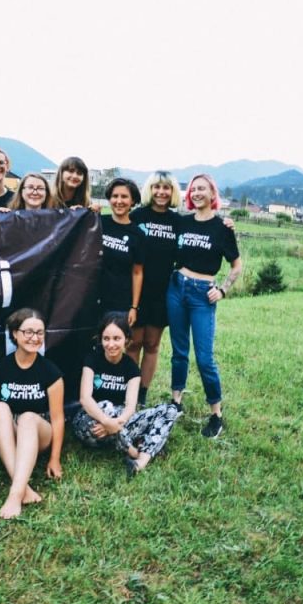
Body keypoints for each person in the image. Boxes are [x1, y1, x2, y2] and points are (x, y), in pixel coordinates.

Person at [167, 174, 242, 438]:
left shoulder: (223, 228)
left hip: (202, 295)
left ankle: (216, 415)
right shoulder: (182, 222)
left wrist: (223, 289)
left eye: (202, 188)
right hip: (177, 288)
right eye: (193, 189)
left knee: (205, 358)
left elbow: (236, 265)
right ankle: (175, 402)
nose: (197, 192)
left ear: (212, 194)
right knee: (179, 352)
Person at [0, 308, 65, 519]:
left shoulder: (51, 372)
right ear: (15, 334)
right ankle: (23, 490)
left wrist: (54, 458)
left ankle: (15, 495)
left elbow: (58, 418)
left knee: (27, 417)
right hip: (6, 431)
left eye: (40, 333)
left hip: (37, 430)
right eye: (28, 332)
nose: (34, 338)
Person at [70, 313, 180, 477]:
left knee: (170, 410)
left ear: (126, 340)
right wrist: (107, 422)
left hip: (119, 422)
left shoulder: (131, 368)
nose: (111, 344)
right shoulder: (92, 360)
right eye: (106, 338)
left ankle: (140, 462)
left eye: (116, 338)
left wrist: (115, 424)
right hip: (91, 425)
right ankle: (133, 450)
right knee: (106, 405)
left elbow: (130, 407)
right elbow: (85, 399)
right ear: (100, 340)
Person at [129, 171, 184, 405]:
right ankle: (128, 389)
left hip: (163, 292)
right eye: (157, 187)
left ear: (172, 192)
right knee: (134, 343)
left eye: (166, 188)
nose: (161, 192)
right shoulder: (137, 216)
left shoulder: (178, 221)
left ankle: (142, 392)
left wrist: (226, 224)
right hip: (136, 289)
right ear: (149, 190)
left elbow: (202, 230)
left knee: (152, 344)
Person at [100, 178, 145, 327]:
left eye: (124, 196)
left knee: (113, 345)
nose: (119, 201)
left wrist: (133, 307)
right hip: (92, 297)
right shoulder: (97, 222)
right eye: (115, 196)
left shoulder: (138, 234)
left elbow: (137, 272)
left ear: (133, 201)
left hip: (119, 301)